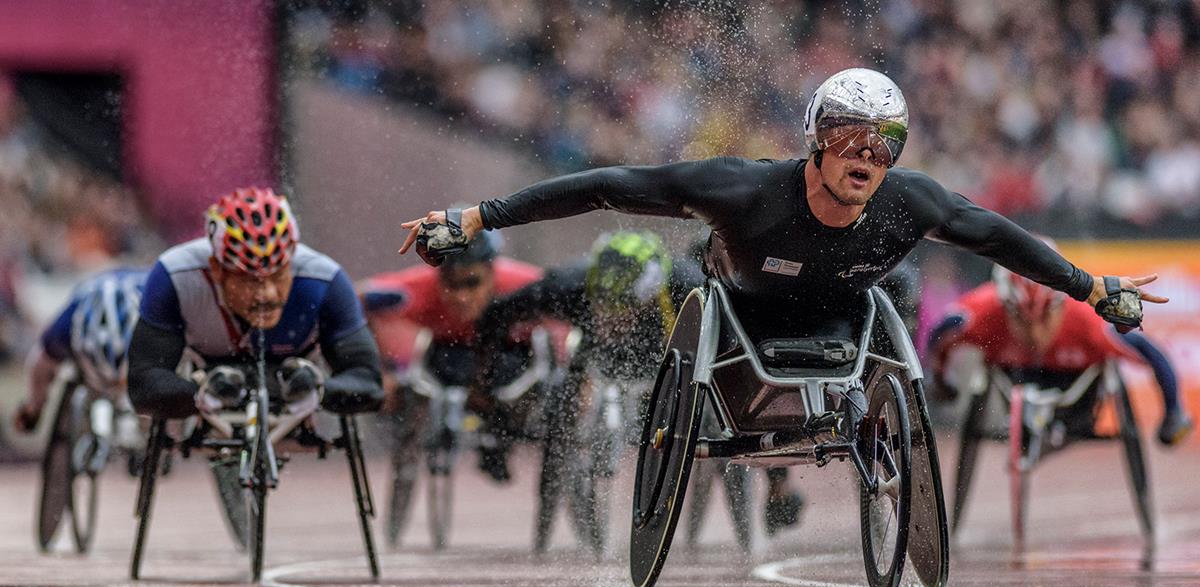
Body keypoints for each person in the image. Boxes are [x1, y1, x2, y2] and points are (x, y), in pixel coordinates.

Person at [400, 68, 1160, 341]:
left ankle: (876, 438)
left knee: (898, 295)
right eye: (849, 135)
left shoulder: (910, 202)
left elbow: (1001, 239)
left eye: (885, 141)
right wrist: (478, 218)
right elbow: (609, 183)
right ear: (813, 139)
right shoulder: (738, 187)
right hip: (739, 308)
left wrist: (1091, 289)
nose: (867, 153)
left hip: (844, 313)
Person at [475, 230, 801, 543]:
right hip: (598, 366)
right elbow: (495, 315)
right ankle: (526, 474)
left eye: (624, 312)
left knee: (730, 401)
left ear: (646, 295)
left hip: (674, 370)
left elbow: (745, 354)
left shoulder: (687, 286)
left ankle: (778, 489)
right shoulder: (569, 286)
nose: (613, 323)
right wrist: (489, 397)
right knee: (561, 392)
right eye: (604, 311)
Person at [127, 186, 382, 423]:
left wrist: (322, 392)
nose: (267, 294)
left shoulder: (325, 279)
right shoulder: (174, 276)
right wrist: (197, 395)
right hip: (210, 369)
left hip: (290, 369)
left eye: (279, 274)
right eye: (250, 280)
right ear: (217, 269)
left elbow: (368, 381)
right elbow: (143, 385)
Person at [929, 264, 1193, 446]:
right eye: (1021, 319)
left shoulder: (1088, 321)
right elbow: (937, 340)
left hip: (1076, 389)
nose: (1034, 332)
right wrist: (941, 383)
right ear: (1004, 307)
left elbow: (1151, 353)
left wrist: (1173, 411)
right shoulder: (981, 313)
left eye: (1044, 318)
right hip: (1013, 379)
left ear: (1059, 306)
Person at [359, 233, 544, 482]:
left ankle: (500, 429)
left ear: (492, 274)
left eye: (472, 283)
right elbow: (356, 301)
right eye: (451, 285)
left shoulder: (524, 285)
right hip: (450, 354)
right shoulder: (418, 289)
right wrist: (382, 371)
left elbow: (573, 304)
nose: (461, 296)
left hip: (510, 356)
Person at [15, 268, 145, 433]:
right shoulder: (66, 325)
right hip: (95, 301)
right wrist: (34, 406)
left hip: (142, 321)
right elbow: (41, 363)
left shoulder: (159, 311)